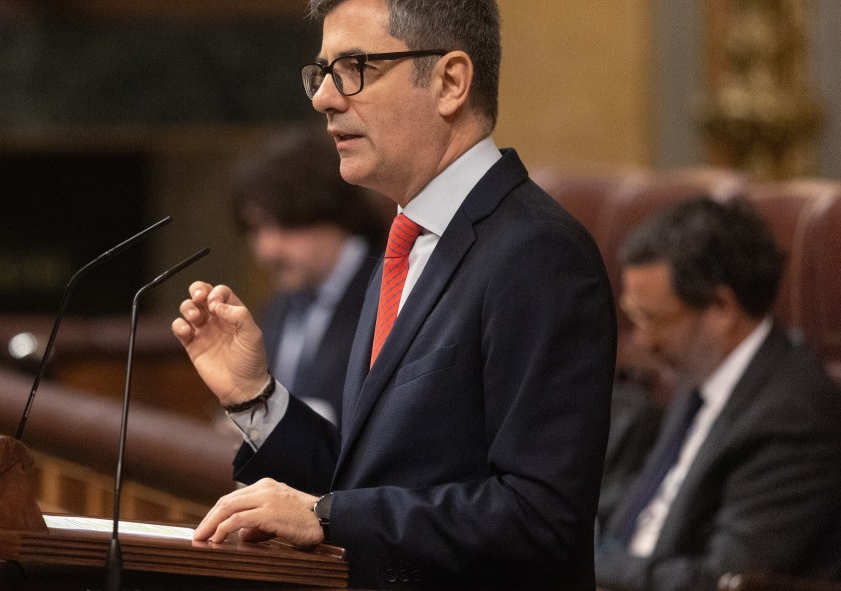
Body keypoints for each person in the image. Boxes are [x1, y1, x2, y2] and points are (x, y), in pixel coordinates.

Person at [172, 0, 617, 587]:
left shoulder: (538, 254)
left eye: (356, 67)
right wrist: (256, 399)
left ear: (450, 81)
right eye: (322, 73)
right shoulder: (407, 244)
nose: (324, 98)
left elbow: (540, 516)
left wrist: (327, 518)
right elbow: (369, 479)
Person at [595, 197, 841, 590]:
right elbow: (642, 509)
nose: (641, 341)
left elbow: (723, 579)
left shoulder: (792, 416)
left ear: (722, 308)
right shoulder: (701, 376)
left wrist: (596, 567)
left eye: (651, 319)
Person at [231, 126, 389, 424]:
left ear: (334, 212)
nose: (267, 250)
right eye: (256, 229)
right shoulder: (282, 303)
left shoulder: (391, 291)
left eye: (287, 225)